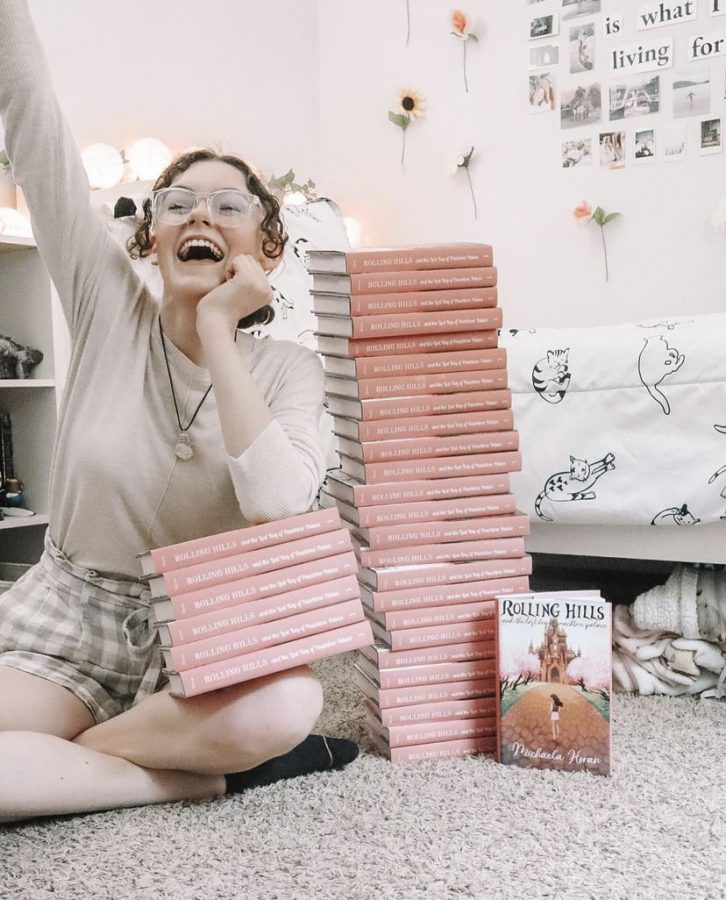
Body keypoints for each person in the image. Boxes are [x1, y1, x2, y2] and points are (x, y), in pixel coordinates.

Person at [0, 0, 358, 823]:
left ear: (267, 253)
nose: (200, 213)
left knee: (286, 710)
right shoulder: (103, 301)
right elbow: (31, 112)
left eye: (229, 206)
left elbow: (275, 502)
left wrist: (219, 334)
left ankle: (71, 762)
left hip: (211, 632)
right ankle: (197, 776)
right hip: (69, 617)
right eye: (177, 204)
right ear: (148, 240)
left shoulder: (292, 370)